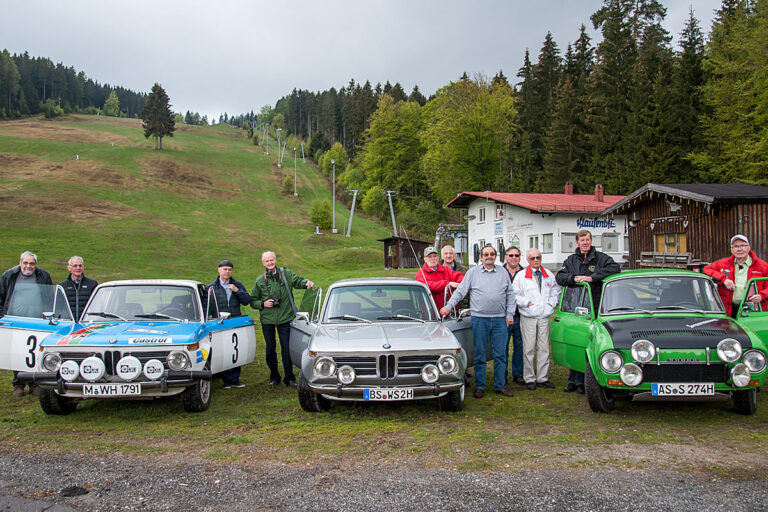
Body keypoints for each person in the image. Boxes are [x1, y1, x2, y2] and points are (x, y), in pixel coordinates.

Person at [440, 245, 516, 398]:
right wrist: (448, 307)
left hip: (500, 320)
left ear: (496, 256)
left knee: (500, 354)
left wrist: (509, 314)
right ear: (480, 257)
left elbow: (510, 294)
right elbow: (461, 291)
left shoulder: (502, 272)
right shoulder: (473, 273)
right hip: (479, 319)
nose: (489, 256)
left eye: (492, 254)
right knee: (480, 354)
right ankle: (480, 386)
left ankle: (500, 385)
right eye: (486, 254)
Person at [555, 230, 620, 394]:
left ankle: (585, 380)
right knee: (574, 342)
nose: (585, 243)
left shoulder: (601, 258)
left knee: (589, 343)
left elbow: (615, 268)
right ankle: (572, 380)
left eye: (588, 240)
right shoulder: (571, 260)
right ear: (577, 242)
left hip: (595, 307)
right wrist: (574, 278)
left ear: (591, 241)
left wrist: (593, 277)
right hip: (574, 308)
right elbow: (560, 277)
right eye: (582, 240)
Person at [250, 251, 313, 388]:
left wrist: (306, 282)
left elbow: (297, 281)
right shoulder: (260, 281)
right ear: (263, 263)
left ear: (275, 260)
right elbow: (253, 300)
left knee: (286, 349)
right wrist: (263, 304)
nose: (270, 263)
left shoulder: (286, 274)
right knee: (270, 349)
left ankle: (289, 378)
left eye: (271, 260)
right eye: (267, 261)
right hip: (267, 320)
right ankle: (274, 376)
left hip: (285, 318)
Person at [0, 251, 52, 397]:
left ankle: (34, 383)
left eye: (31, 263)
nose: (28, 266)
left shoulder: (43, 276)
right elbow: (1, 296)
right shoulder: (9, 276)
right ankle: (18, 384)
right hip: (15, 323)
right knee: (16, 354)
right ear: (20, 262)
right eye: (25, 263)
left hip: (37, 323)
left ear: (35, 265)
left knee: (34, 353)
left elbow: (49, 297)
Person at [513, 249, 560, 390]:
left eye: (538, 257)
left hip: (544, 315)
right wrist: (527, 303)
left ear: (541, 258)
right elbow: (515, 294)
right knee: (528, 348)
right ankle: (529, 378)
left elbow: (556, 291)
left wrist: (551, 304)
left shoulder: (549, 275)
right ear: (527, 260)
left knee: (544, 348)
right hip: (528, 316)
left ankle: (542, 378)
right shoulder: (521, 276)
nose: (535, 260)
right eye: (532, 258)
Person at [207, 259, 251, 388]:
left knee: (236, 348)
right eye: (225, 269)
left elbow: (247, 300)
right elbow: (207, 306)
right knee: (223, 349)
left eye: (229, 270)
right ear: (219, 270)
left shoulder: (237, 285)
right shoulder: (211, 288)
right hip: (220, 323)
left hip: (234, 321)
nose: (227, 272)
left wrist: (237, 291)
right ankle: (226, 379)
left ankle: (235, 378)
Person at [703, 235, 768, 318]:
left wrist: (762, 296)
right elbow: (706, 269)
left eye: (743, 246)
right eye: (736, 246)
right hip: (728, 309)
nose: (739, 249)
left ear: (748, 248)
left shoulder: (762, 266)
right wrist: (724, 280)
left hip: (753, 310)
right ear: (732, 250)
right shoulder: (723, 263)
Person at [503, 246, 525, 385]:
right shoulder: (499, 272)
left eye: (516, 255)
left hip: (520, 315)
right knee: (502, 347)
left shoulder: (524, 273)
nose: (514, 258)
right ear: (505, 256)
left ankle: (518, 373)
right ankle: (502, 373)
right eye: (511, 255)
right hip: (503, 317)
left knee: (520, 346)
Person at [415, 246, 464, 310]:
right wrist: (448, 284)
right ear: (425, 259)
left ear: (438, 258)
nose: (433, 258)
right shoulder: (421, 274)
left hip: (451, 311)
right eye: (429, 257)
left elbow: (459, 276)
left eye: (435, 256)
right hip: (432, 312)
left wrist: (460, 283)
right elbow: (429, 286)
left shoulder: (445, 269)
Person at [59, 256, 98, 322]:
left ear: (83, 267)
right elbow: (59, 307)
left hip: (86, 323)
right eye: (75, 266)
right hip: (68, 323)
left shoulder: (92, 284)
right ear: (69, 268)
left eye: (80, 265)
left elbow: (98, 304)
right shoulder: (62, 286)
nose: (78, 268)